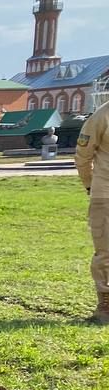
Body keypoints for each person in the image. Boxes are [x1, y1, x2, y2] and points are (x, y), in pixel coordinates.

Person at [76, 99, 109, 327]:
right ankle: (106, 304)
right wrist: (90, 185)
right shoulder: (102, 116)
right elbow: (83, 155)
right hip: (105, 193)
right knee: (106, 251)